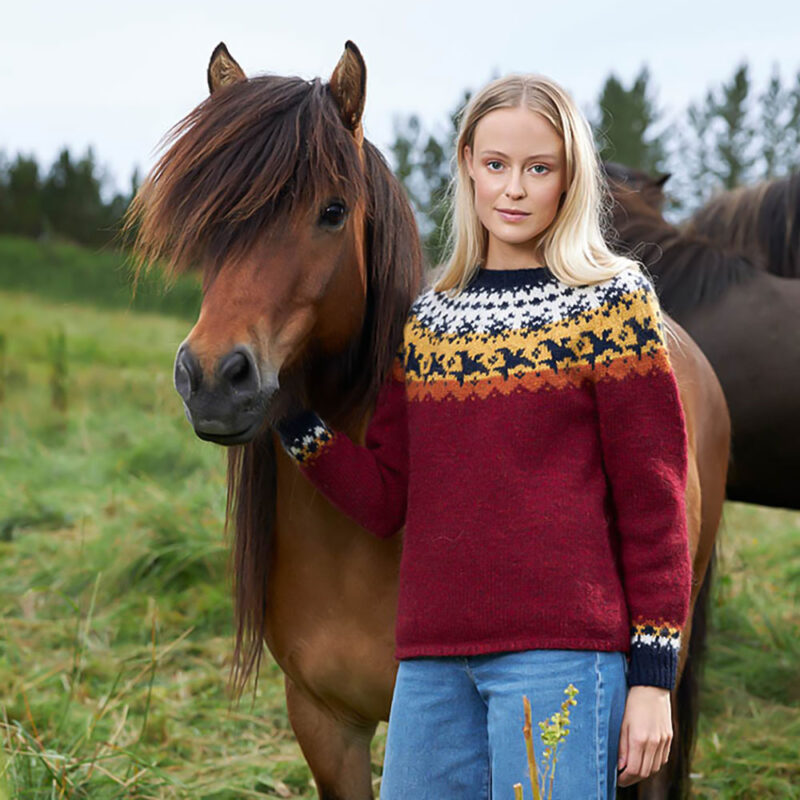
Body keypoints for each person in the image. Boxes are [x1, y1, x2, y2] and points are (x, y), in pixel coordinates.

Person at [275, 73, 691, 799]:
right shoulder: (430, 321)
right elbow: (387, 499)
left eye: (539, 168)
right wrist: (292, 421)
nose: (514, 189)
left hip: (561, 661)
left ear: (570, 177)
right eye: (497, 165)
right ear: (468, 162)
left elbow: (654, 505)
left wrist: (654, 680)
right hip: (432, 666)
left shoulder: (613, 305)